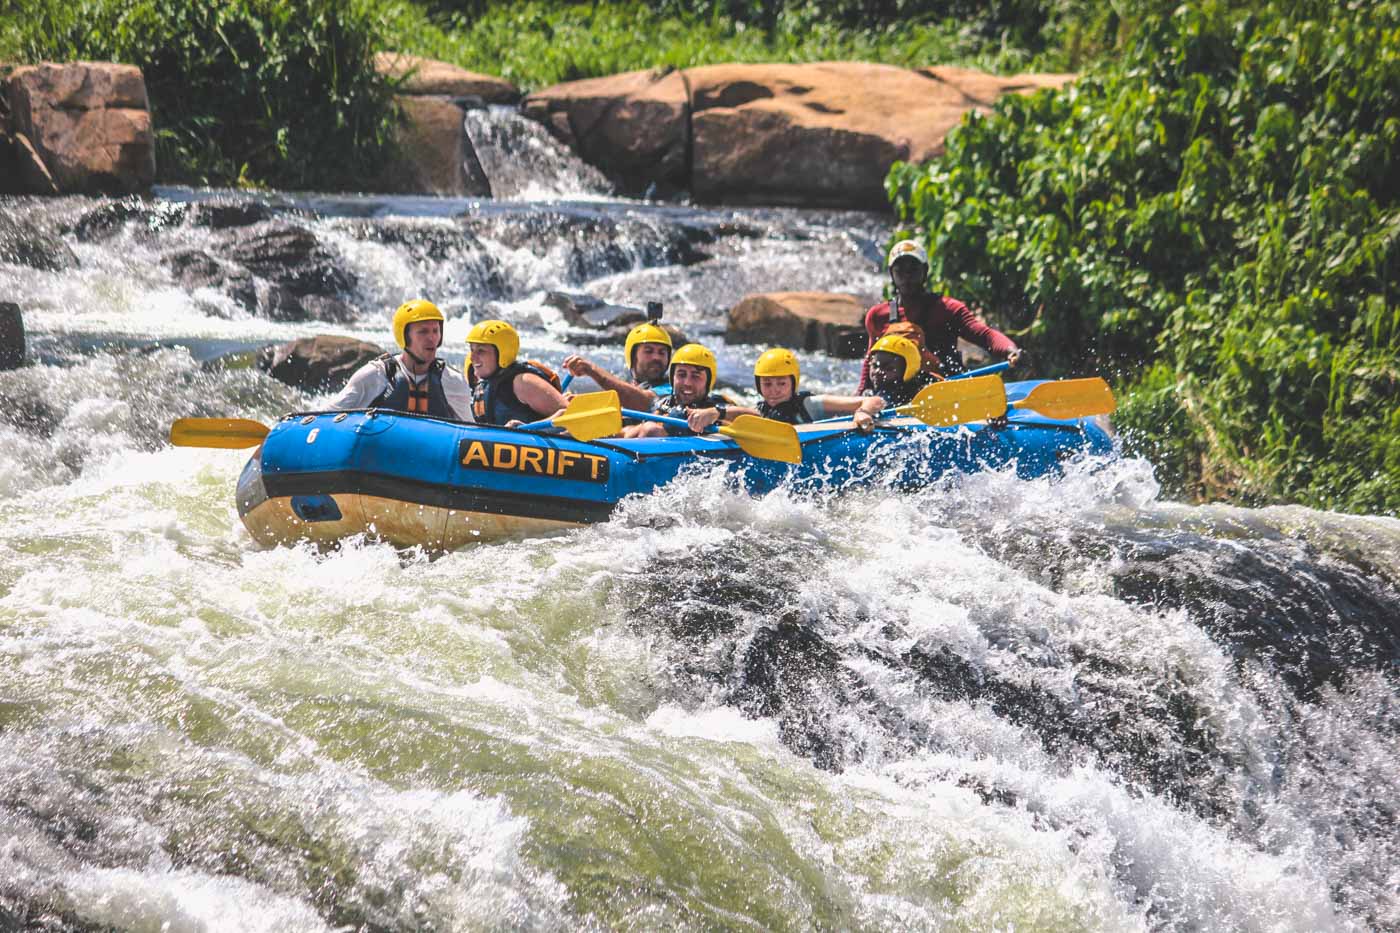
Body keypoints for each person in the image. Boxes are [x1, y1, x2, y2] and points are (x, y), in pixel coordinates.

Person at [857, 239, 1022, 392]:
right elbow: (870, 362)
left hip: (944, 392)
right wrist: (860, 397)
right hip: (894, 396)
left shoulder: (948, 310)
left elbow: (985, 336)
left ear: (925, 271)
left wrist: (1010, 351)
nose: (907, 277)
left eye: (913, 270)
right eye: (900, 271)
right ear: (891, 273)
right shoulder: (877, 315)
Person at [329, 299, 473, 420]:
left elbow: (472, 433)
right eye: (423, 331)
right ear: (404, 336)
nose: (432, 338)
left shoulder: (454, 382)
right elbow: (326, 417)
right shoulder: (375, 376)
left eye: (435, 331)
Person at [624, 343, 743, 437]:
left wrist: (717, 413)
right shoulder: (663, 403)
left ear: (708, 381)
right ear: (672, 378)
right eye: (681, 374)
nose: (687, 383)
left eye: (696, 376)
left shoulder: (717, 404)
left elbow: (758, 418)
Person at [466, 319, 568, 426]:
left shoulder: (524, 382)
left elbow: (569, 415)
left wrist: (527, 428)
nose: (472, 357)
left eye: (481, 351)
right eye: (472, 350)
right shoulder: (483, 385)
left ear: (502, 353)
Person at [752, 348, 884, 431]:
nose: (774, 391)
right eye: (767, 384)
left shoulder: (810, 404)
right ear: (759, 386)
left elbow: (875, 400)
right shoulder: (759, 412)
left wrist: (863, 413)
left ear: (793, 383)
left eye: (782, 383)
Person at [560, 321, 672, 410]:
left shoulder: (672, 389)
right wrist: (584, 403)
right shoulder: (631, 388)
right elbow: (621, 402)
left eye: (662, 353)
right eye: (649, 351)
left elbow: (643, 401)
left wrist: (592, 370)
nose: (656, 357)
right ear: (633, 357)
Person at [863, 334, 940, 408]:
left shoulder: (900, 392)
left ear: (907, 371)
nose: (877, 371)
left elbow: (878, 403)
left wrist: (863, 411)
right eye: (875, 366)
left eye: (889, 368)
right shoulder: (871, 391)